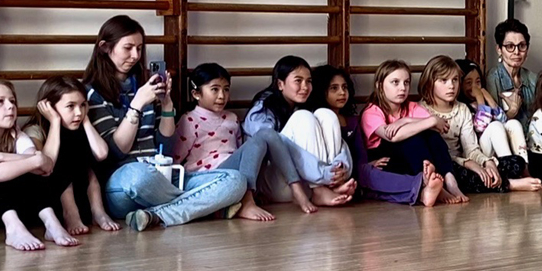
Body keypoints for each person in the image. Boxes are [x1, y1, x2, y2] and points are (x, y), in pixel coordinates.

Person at [83, 15, 246, 231]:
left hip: (163, 176)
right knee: (138, 175)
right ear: (105, 47)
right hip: (123, 185)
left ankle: (156, 216)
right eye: (128, 48)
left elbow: (166, 148)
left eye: (140, 48)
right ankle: (203, 206)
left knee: (235, 180)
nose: (135, 56)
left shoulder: (146, 85)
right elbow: (116, 152)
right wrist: (137, 105)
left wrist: (167, 104)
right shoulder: (93, 93)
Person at [0, 78, 78, 251]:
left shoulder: (15, 134)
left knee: (36, 175)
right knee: (1, 177)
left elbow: (44, 166)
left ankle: (51, 222)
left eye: (12, 101)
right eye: (0, 102)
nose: (10, 106)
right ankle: (13, 228)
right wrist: (35, 160)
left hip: (5, 205)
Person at [177, 63, 317, 219]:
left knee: (265, 136)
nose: (222, 96)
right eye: (215, 89)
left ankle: (296, 188)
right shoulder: (189, 120)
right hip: (208, 178)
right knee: (263, 135)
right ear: (196, 93)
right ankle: (247, 202)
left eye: (226, 89)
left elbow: (242, 152)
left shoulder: (232, 118)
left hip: (233, 172)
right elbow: (175, 158)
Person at [417, 55, 542, 194]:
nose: (451, 86)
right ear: (430, 83)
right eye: (444, 81)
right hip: (447, 166)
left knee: (516, 162)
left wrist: (486, 163)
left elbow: (470, 148)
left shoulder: (462, 109)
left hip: (467, 161)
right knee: (457, 175)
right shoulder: (421, 110)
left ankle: (500, 178)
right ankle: (509, 184)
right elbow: (431, 154)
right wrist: (468, 164)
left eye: (455, 80)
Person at [244, 57, 356, 208]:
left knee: (326, 114)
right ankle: (320, 187)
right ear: (280, 84)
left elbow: (339, 143)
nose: (305, 87)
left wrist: (340, 167)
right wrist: (322, 173)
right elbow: (275, 149)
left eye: (309, 81)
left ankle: (327, 187)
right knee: (303, 117)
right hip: (277, 186)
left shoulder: (304, 106)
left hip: (306, 185)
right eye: (298, 81)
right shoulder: (262, 111)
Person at [361, 59, 467, 207]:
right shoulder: (371, 112)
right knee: (413, 138)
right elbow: (393, 136)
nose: (402, 88)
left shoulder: (411, 107)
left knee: (432, 136)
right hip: (386, 160)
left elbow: (440, 127)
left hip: (410, 159)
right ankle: (428, 182)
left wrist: (405, 120)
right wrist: (430, 121)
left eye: (406, 82)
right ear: (380, 85)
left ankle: (450, 180)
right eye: (395, 82)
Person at [33, 76, 120, 235]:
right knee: (64, 149)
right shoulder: (35, 130)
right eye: (70, 106)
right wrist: (54, 122)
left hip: (84, 198)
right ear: (50, 107)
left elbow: (101, 154)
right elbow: (47, 163)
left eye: (82, 105)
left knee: (83, 152)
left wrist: (86, 120)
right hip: (50, 201)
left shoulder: (82, 126)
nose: (78, 112)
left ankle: (98, 210)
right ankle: (70, 213)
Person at [459, 58, 530, 168]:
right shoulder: (463, 107)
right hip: (478, 155)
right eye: (468, 83)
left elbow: (503, 120)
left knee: (513, 124)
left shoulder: (482, 102)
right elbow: (481, 126)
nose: (474, 87)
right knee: (495, 126)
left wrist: (489, 98)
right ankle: (510, 170)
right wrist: (480, 98)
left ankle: (525, 167)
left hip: (494, 149)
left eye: (478, 82)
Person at [485, 19, 536, 126]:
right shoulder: (492, 78)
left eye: (522, 46)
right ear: (499, 49)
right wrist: (511, 112)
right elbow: (489, 126)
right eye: (510, 46)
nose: (517, 52)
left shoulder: (533, 79)